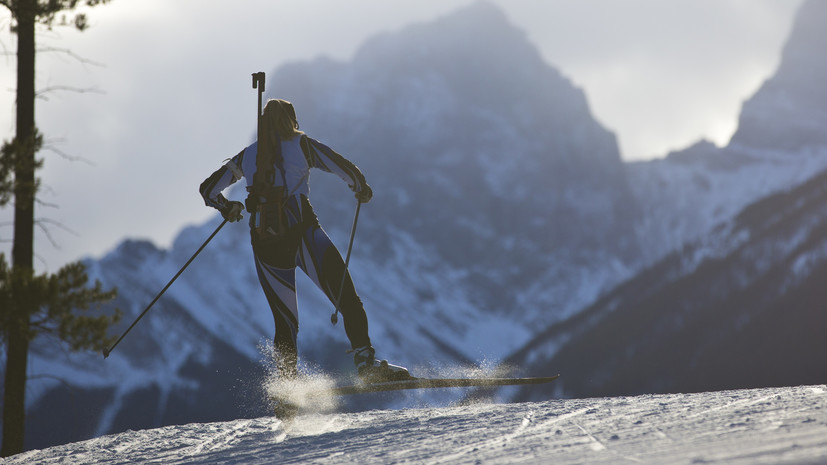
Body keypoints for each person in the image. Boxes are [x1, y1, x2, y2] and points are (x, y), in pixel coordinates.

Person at [200, 98, 409, 383]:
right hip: (303, 234)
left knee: (285, 323)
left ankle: (286, 389)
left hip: (265, 243)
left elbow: (208, 190)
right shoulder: (302, 144)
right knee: (347, 299)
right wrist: (360, 187)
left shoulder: (248, 155)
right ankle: (366, 364)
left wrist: (229, 208)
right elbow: (343, 167)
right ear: (292, 120)